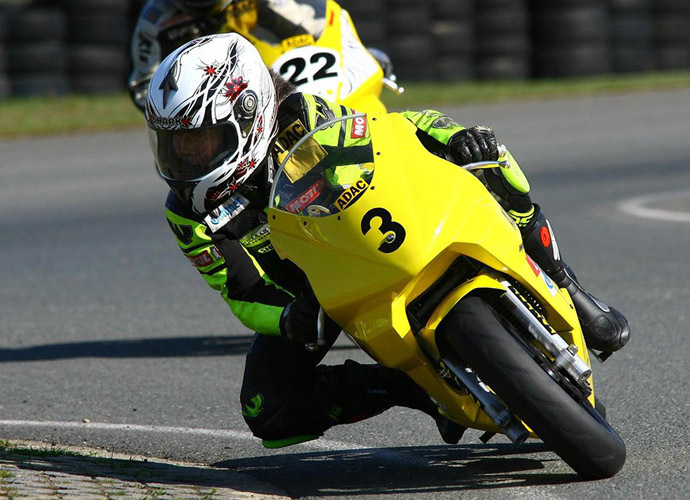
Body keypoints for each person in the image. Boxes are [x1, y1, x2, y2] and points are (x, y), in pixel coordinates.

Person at [145, 33, 629, 447]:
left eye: (198, 141)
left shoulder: (299, 113)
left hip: (364, 227)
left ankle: (573, 291)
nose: (184, 158)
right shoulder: (188, 214)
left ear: (247, 115)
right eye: (174, 145)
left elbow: (392, 133)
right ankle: (414, 388)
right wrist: (290, 315)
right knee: (266, 410)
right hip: (312, 293)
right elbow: (243, 291)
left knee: (490, 159)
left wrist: (453, 140)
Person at [128, 0, 393, 112]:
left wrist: (349, 56)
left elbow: (315, 25)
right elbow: (144, 84)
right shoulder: (157, 20)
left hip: (276, 95)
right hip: (213, 124)